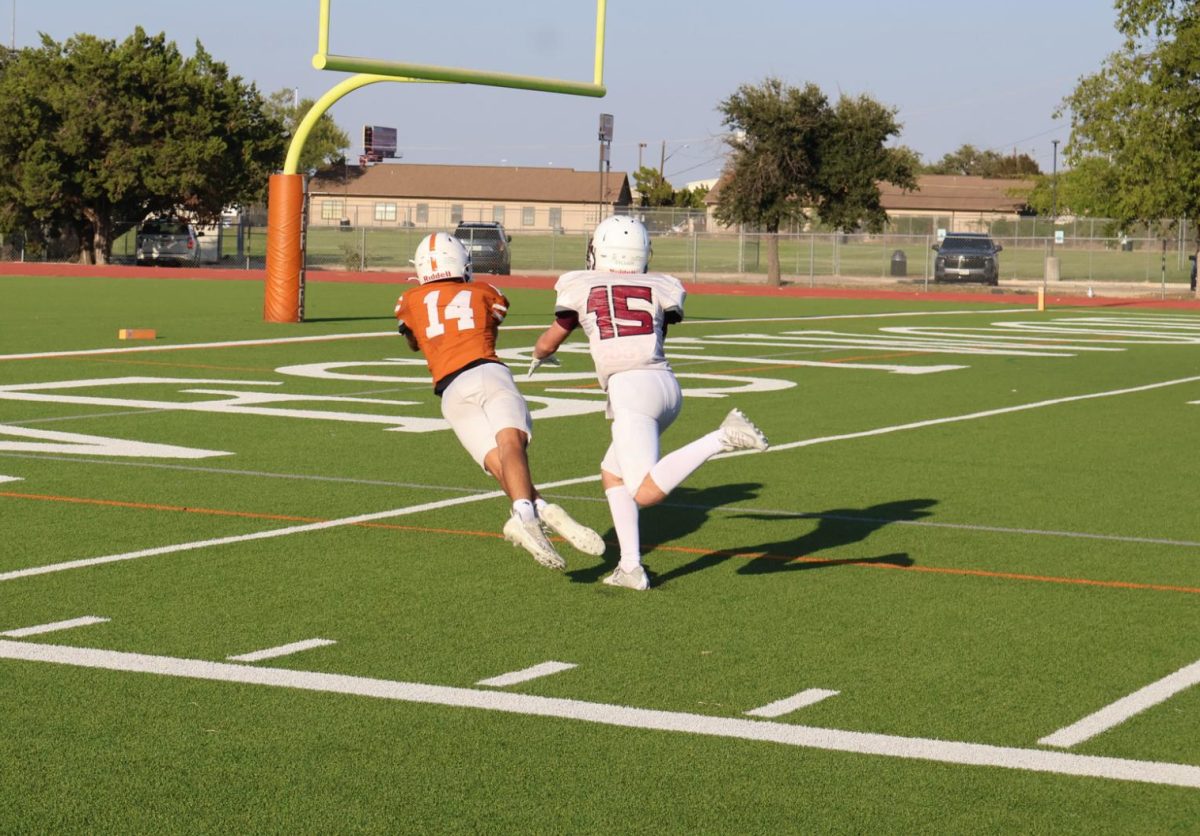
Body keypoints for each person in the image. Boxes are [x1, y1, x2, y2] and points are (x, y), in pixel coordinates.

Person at [529, 216, 769, 591]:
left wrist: (540, 355)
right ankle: (630, 567)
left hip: (631, 390)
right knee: (613, 473)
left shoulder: (581, 284)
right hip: (665, 387)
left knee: (643, 491)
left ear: (599, 251)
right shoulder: (659, 286)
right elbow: (656, 330)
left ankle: (722, 438)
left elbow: (549, 341)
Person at [394, 232, 604, 570]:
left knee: (497, 465)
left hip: (449, 392)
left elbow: (415, 343)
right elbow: (492, 318)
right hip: (486, 372)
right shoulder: (486, 292)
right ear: (461, 262)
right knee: (511, 443)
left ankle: (544, 509)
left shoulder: (409, 299)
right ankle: (527, 515)